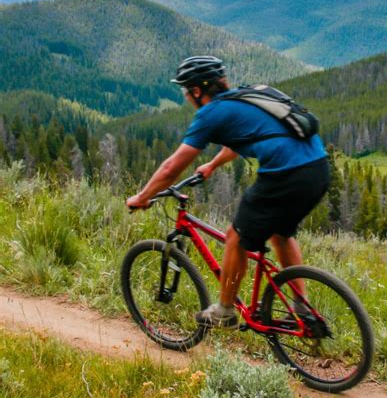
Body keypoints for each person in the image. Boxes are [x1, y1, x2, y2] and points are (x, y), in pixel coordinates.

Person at [126, 55, 330, 328]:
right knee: (281, 234)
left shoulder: (210, 114)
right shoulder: (243, 98)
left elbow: (170, 169)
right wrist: (212, 164)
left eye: (186, 90)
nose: (186, 96)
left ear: (197, 91)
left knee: (236, 237)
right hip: (317, 169)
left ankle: (224, 310)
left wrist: (143, 197)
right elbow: (240, 139)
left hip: (285, 174)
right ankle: (301, 309)